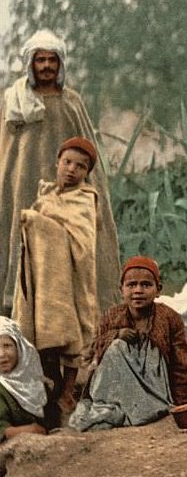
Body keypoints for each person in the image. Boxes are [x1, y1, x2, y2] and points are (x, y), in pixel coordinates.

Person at [1, 30, 120, 318]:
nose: (45, 66)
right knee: (21, 243)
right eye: (39, 60)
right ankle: (17, 312)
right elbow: (7, 152)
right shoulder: (15, 103)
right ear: (30, 63)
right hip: (23, 191)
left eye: (51, 60)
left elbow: (87, 149)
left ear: (60, 64)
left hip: (68, 191)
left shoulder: (72, 102)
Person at [13, 137, 101, 422]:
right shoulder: (47, 196)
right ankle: (49, 386)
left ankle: (68, 391)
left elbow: (83, 242)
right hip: (45, 278)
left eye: (81, 166)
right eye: (67, 162)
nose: (72, 170)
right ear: (57, 163)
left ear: (87, 172)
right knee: (45, 330)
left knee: (73, 329)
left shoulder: (85, 199)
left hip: (70, 280)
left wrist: (39, 220)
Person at [68, 257, 187, 431]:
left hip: (154, 387)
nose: (138, 290)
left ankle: (143, 408)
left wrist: (186, 399)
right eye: (131, 285)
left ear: (158, 290)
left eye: (146, 285)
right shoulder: (110, 316)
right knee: (116, 347)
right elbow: (97, 350)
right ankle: (117, 407)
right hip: (117, 385)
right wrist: (116, 334)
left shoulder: (169, 318)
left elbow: (182, 362)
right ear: (121, 290)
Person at [0, 317, 47, 440]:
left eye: (7, 346)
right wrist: (26, 430)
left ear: (20, 348)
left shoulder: (33, 380)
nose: (2, 354)